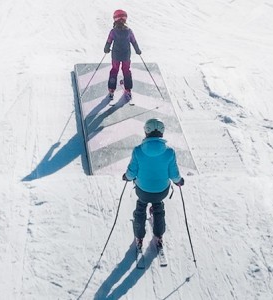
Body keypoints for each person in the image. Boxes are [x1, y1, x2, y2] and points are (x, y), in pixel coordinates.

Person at [123, 118, 184, 250]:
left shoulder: (138, 151)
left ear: (146, 132)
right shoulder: (169, 152)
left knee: (140, 208)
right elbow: (174, 175)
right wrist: (179, 181)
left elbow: (132, 173)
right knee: (158, 208)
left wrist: (126, 177)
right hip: (161, 191)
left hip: (142, 191)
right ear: (162, 133)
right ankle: (159, 235)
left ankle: (139, 237)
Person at [104, 9, 142, 100]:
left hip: (116, 56)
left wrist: (106, 49)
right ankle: (128, 89)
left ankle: (111, 89)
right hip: (126, 56)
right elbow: (134, 41)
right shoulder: (129, 31)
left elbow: (109, 41)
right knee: (126, 71)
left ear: (115, 19)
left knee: (114, 70)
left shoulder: (113, 31)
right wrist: (137, 50)